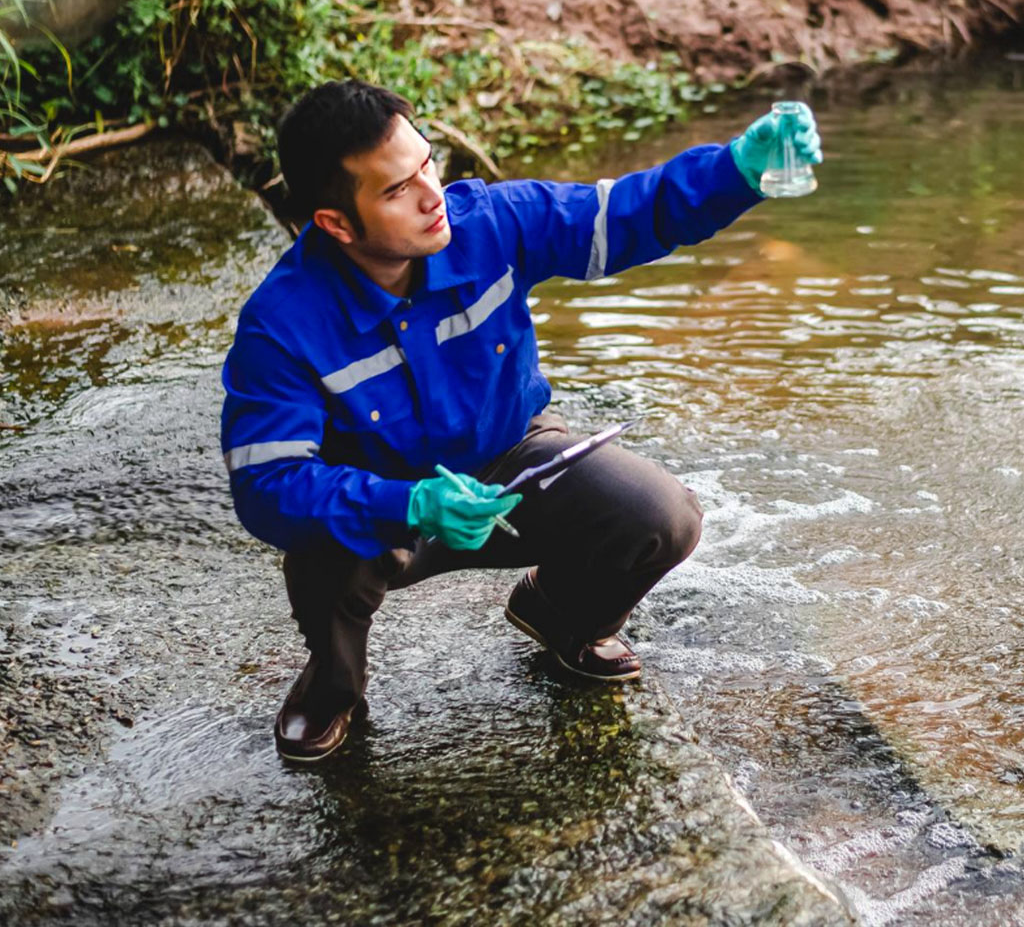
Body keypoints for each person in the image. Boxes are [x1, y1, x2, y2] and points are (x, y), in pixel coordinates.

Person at [220, 79, 822, 763]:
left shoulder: (489, 223)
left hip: (516, 459)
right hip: (389, 507)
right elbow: (268, 484)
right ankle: (332, 688)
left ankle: (560, 614)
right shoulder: (281, 324)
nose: (430, 194)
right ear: (335, 223)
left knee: (663, 516)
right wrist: (407, 503)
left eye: (427, 163)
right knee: (320, 552)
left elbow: (623, 215)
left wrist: (739, 169)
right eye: (396, 191)